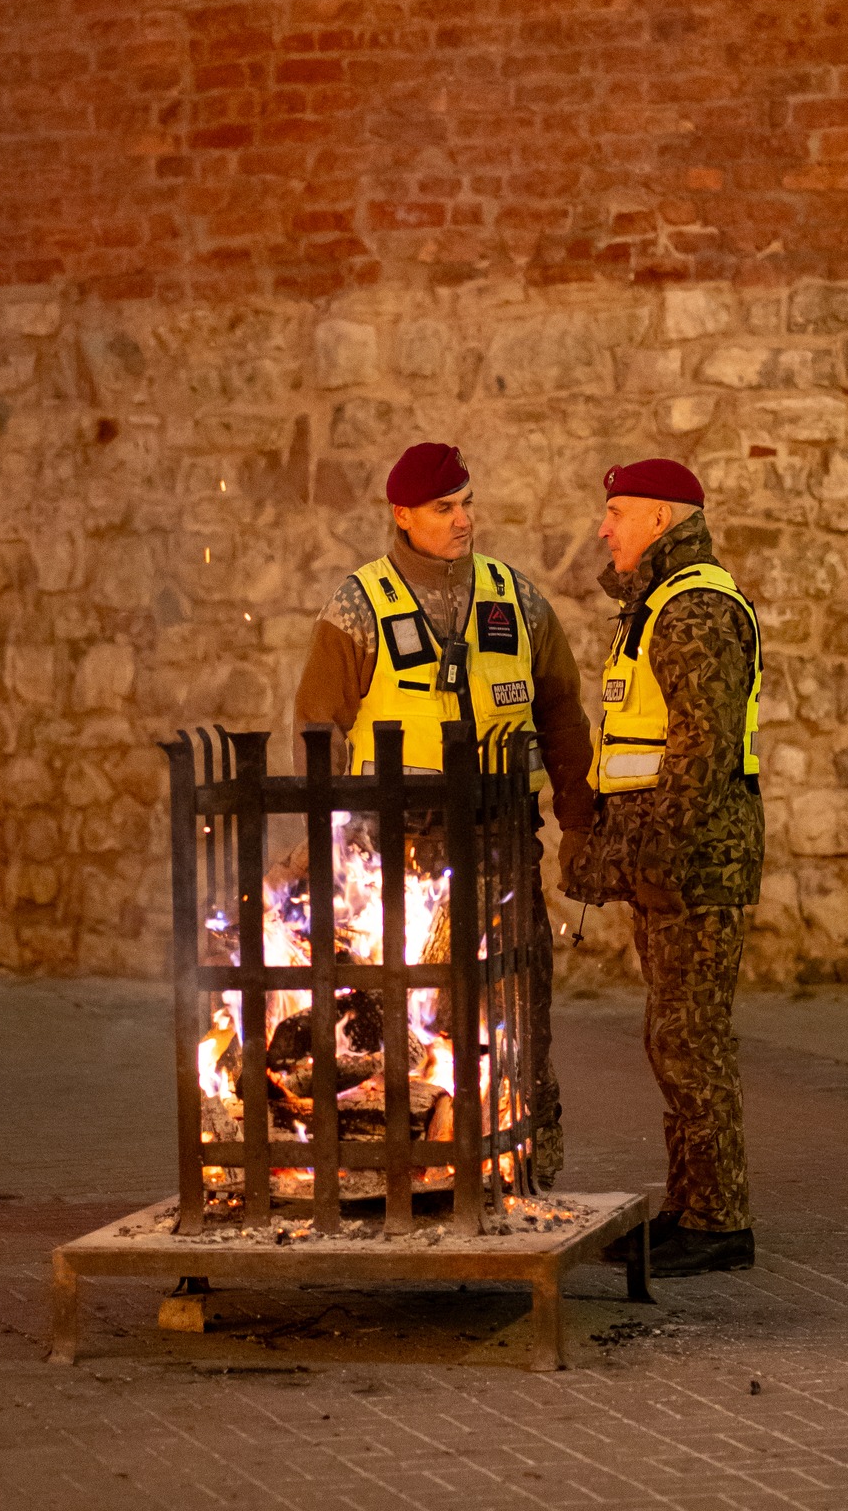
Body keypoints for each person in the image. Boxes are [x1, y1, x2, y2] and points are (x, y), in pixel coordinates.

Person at [295, 440, 594, 1184]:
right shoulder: (358, 606)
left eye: (467, 503)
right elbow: (318, 729)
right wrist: (320, 840)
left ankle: (526, 1162)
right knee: (402, 1011)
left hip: (502, 837)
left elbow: (562, 714)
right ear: (402, 515)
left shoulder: (518, 600)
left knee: (519, 1003)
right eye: (443, 508)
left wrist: (580, 818)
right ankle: (408, 1166)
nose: (462, 520)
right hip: (397, 849)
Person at [561, 457, 764, 1277]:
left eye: (617, 513)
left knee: (692, 1041)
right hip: (669, 867)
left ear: (661, 519)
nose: (604, 528)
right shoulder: (655, 609)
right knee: (673, 1038)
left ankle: (718, 1223)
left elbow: (700, 759)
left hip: (692, 869)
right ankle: (692, 1208)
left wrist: (653, 861)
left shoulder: (696, 612)